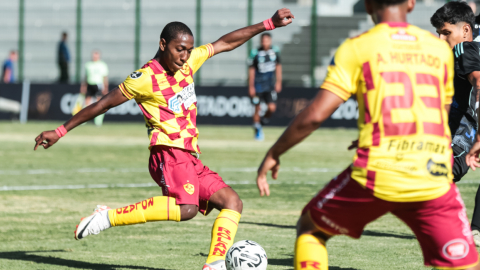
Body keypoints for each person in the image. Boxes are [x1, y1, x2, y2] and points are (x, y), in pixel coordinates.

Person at [34, 9, 294, 270]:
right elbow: (102, 104)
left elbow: (225, 43)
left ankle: (214, 264)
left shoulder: (189, 63)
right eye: (180, 49)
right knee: (187, 209)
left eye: (189, 50)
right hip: (168, 152)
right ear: (163, 44)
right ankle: (107, 217)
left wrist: (268, 24)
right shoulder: (144, 78)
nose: (185, 56)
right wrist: (60, 131)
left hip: (189, 157)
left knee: (232, 202)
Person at [256, 0, 480, 269]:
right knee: (465, 263)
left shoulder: (357, 47)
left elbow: (315, 114)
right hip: (431, 175)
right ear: (411, 4)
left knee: (310, 228)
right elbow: (435, 112)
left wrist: (274, 152)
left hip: (378, 171)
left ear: (368, 5)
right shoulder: (439, 51)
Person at [431, 1, 480, 247]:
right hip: (461, 123)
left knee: (440, 172)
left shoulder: (464, 49)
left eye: (446, 33)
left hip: (469, 125)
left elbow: (479, 84)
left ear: (466, 31)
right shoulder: (460, 49)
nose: (440, 39)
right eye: (438, 33)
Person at [248, 33, 282, 141]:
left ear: (270, 41)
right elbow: (252, 70)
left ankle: (262, 122)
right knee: (257, 108)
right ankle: (257, 131)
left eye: (267, 40)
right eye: (263, 40)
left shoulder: (275, 52)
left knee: (272, 108)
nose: (265, 42)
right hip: (258, 86)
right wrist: (251, 86)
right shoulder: (255, 53)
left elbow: (278, 67)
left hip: (270, 85)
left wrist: (278, 82)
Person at [75, 50, 109, 126]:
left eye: (96, 55)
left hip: (98, 85)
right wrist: (83, 86)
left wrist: (105, 87)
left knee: (99, 103)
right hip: (90, 84)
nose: (94, 57)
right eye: (93, 55)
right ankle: (83, 120)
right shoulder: (88, 65)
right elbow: (86, 77)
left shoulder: (102, 65)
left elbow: (105, 77)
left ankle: (98, 121)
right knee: (87, 103)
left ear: (99, 56)